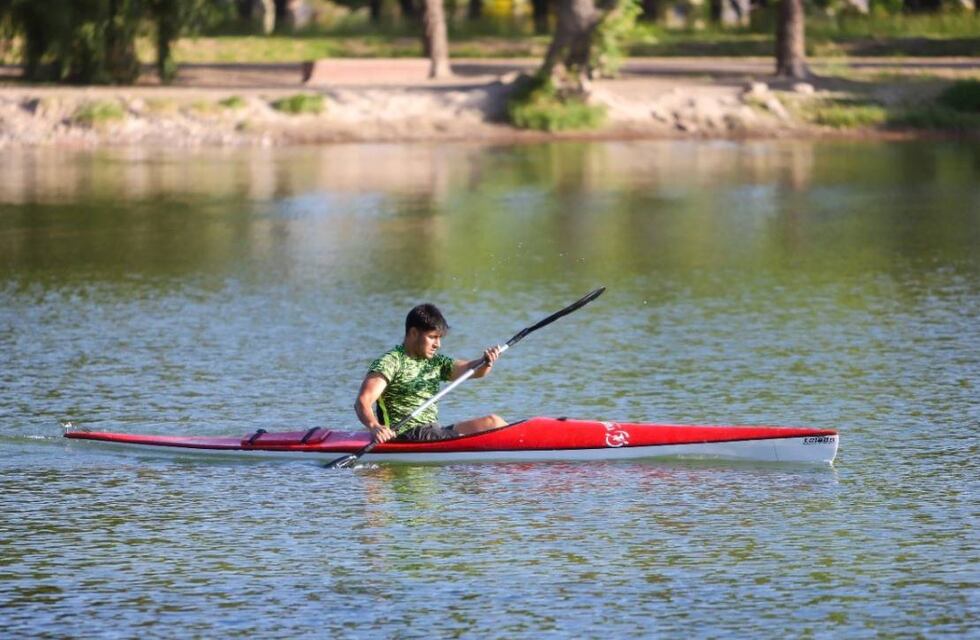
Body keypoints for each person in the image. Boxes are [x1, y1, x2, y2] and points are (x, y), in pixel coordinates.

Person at [354, 303, 508, 444]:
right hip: (406, 434)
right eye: (432, 337)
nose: (438, 344)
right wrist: (374, 426)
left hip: (431, 431)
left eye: (439, 338)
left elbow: (471, 369)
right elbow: (363, 401)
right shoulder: (391, 362)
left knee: (493, 422)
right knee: (475, 440)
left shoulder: (436, 362)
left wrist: (485, 361)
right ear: (413, 333)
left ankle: (521, 446)